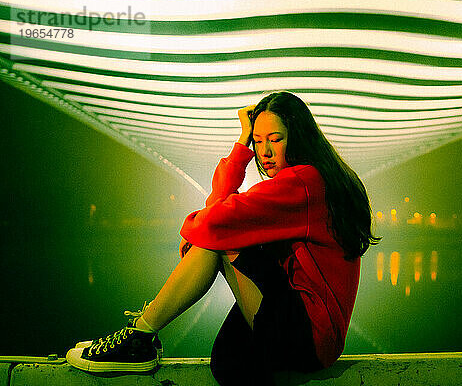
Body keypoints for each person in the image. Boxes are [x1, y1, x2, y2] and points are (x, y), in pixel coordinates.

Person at [66, 91, 381, 384]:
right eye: (258, 141)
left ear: (298, 138)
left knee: (217, 239)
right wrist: (205, 227)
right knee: (227, 363)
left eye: (276, 139)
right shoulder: (317, 179)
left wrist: (197, 231)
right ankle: (140, 337)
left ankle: (139, 336)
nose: (266, 152)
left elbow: (215, 220)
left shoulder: (303, 182)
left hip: (308, 335)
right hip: (312, 334)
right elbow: (219, 217)